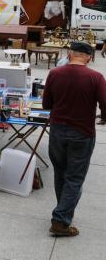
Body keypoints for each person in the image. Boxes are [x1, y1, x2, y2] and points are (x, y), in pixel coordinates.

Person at [42, 41, 106, 237]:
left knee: (60, 173)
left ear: (70, 54)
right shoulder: (96, 77)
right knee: (75, 177)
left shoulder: (54, 74)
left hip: (58, 131)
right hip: (82, 133)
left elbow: (46, 104)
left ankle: (64, 212)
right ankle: (61, 219)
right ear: (89, 57)